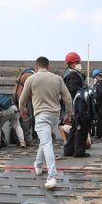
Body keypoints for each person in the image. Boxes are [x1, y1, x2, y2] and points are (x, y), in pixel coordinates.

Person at [19, 56, 73, 190]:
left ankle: (52, 176)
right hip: (54, 116)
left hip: (41, 115)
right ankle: (37, 164)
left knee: (47, 143)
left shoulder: (31, 79)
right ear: (48, 67)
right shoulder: (57, 79)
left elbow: (22, 99)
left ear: (36, 67)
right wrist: (68, 115)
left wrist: (22, 110)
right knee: (45, 140)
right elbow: (68, 99)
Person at [62, 51, 90, 158]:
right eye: (76, 62)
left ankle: (68, 150)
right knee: (81, 127)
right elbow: (74, 90)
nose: (78, 64)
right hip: (77, 105)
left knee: (74, 127)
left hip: (72, 105)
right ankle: (79, 151)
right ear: (70, 64)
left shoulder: (68, 73)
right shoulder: (73, 75)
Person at [14, 66, 37, 145]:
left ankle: (20, 140)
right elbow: (32, 91)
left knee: (21, 120)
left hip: (18, 98)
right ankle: (28, 140)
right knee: (26, 120)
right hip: (25, 99)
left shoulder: (22, 74)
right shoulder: (30, 75)